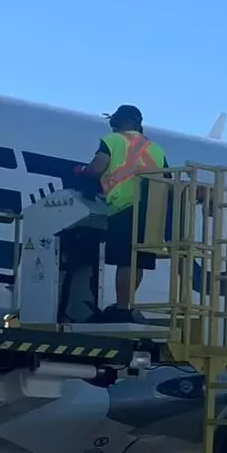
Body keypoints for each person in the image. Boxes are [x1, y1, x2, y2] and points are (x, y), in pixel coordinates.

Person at [78, 104, 169, 321]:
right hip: (152, 210)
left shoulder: (113, 141)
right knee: (139, 260)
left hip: (125, 206)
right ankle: (128, 305)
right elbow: (167, 178)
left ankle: (121, 307)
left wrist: (82, 171)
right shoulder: (155, 148)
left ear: (117, 123)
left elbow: (98, 167)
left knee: (125, 260)